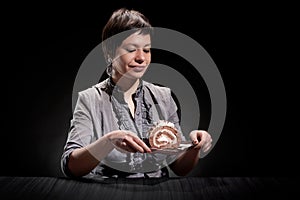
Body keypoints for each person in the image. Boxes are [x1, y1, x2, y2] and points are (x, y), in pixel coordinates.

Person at [61, 8, 212, 179]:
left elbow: (179, 167)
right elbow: (71, 166)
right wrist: (109, 141)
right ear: (109, 52)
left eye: (146, 50)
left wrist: (195, 147)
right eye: (132, 49)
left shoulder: (164, 97)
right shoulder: (89, 99)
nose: (141, 57)